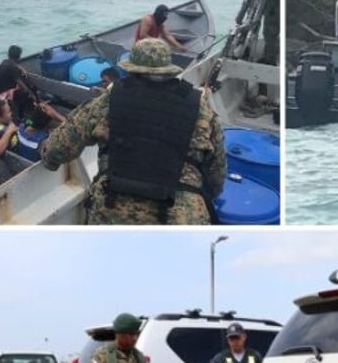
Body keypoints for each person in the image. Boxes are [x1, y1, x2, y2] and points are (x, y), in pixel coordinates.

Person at [40, 38, 227, 225]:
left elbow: (60, 146)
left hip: (113, 211)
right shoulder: (199, 107)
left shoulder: (108, 100)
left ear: (131, 68)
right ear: (168, 68)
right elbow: (216, 174)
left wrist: (47, 155)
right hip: (183, 217)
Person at [0, 45, 35, 119]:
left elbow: (15, 65)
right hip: (5, 94)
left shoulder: (5, 62)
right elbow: (20, 82)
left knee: (24, 91)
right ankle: (23, 116)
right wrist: (32, 95)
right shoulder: (12, 68)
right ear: (19, 56)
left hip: (1, 91)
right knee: (26, 94)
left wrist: (21, 68)